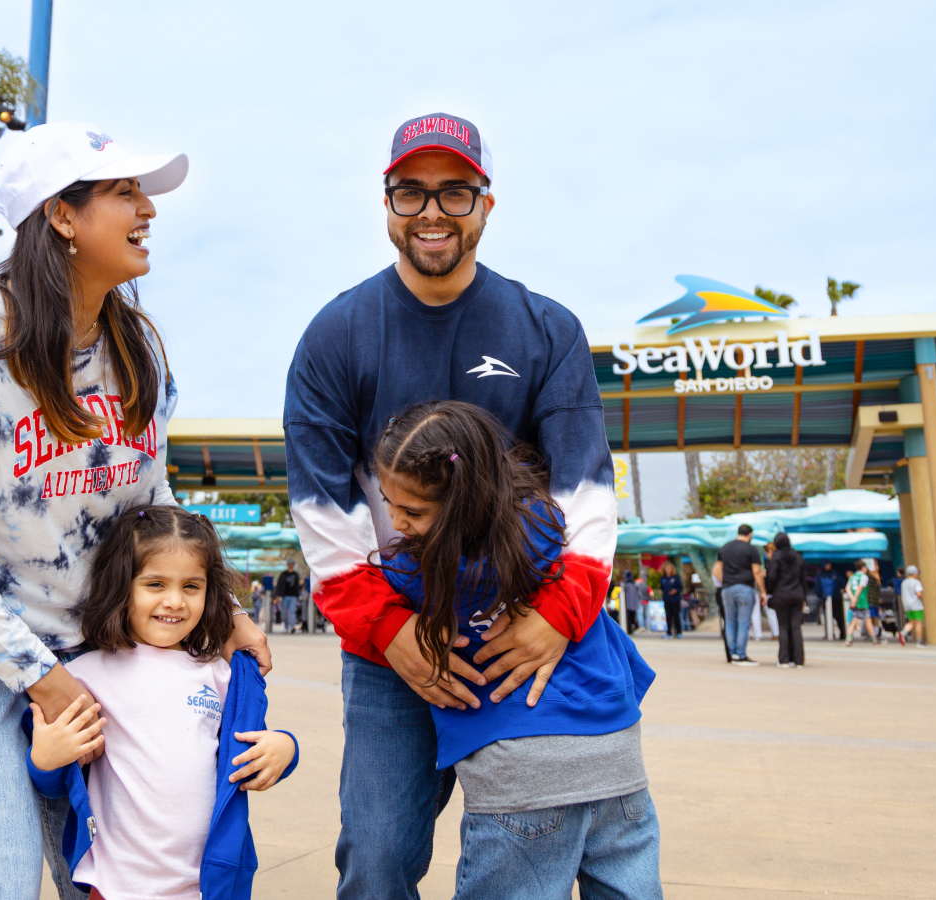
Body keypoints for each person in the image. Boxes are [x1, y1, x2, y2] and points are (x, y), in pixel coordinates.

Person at [0, 123, 270, 900]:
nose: (148, 211)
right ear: (61, 216)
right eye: (125, 192)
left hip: (88, 642)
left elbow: (150, 499)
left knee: (99, 873)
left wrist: (219, 606)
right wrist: (39, 679)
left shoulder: (138, 351)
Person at [283, 112, 618, 900]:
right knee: (376, 859)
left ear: (486, 205)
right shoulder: (336, 335)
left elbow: (586, 486)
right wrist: (386, 628)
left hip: (524, 631)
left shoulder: (547, 329)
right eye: (411, 192)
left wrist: (560, 614)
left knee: (524, 860)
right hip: (393, 639)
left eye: (454, 192)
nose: (431, 212)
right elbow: (321, 508)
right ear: (387, 202)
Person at [364, 401, 661, 900]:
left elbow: (358, 601)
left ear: (460, 503)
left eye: (411, 511)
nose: (395, 522)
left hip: (517, 781)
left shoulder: (417, 574)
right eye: (388, 503)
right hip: (620, 768)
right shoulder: (552, 530)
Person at [27, 506, 299, 900]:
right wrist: (45, 760)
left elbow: (255, 742)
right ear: (123, 586)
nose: (175, 601)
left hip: (204, 885)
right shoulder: (85, 677)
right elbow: (53, 785)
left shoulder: (218, 674)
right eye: (155, 584)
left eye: (191, 587)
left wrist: (285, 748)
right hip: (116, 885)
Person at [713, 524, 766, 666]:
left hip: (727, 589)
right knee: (743, 622)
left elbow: (717, 569)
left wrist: (725, 581)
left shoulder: (725, 548)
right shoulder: (751, 549)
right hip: (745, 587)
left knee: (729, 621)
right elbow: (756, 571)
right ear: (750, 535)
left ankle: (733, 654)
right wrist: (763, 591)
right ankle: (741, 655)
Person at [764, 533, 806, 667]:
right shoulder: (798, 557)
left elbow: (772, 577)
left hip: (781, 595)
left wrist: (769, 591)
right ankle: (798, 660)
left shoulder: (776, 557)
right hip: (797, 595)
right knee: (796, 627)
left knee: (783, 627)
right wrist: (803, 596)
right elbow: (803, 579)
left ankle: (784, 659)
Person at [843, 560, 877, 646]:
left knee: (853, 620)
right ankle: (875, 640)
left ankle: (849, 639)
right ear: (863, 567)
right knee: (868, 621)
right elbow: (860, 588)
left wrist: (852, 598)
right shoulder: (864, 577)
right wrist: (856, 598)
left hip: (854, 602)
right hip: (862, 601)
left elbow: (847, 588)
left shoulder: (853, 576)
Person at [275, 560, 304, 633]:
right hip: (285, 596)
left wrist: (298, 596)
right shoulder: (283, 574)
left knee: (292, 611)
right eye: (290, 564)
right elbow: (279, 585)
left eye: (292, 564)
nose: (291, 565)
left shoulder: (296, 575)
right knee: (284, 612)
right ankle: (286, 627)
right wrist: (277, 595)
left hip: (293, 596)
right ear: (288, 564)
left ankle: (292, 626)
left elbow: (297, 586)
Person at [900, 565, 926, 646]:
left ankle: (903, 632)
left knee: (912, 621)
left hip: (907, 605)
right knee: (919, 622)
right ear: (914, 573)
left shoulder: (904, 582)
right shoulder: (916, 582)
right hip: (916, 604)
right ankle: (919, 641)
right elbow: (919, 593)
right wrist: (922, 599)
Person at [659, 562, 685, 639]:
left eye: (669, 568)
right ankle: (669, 633)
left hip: (675, 600)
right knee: (668, 616)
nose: (668, 570)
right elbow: (662, 587)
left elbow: (681, 587)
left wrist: (675, 590)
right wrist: (660, 589)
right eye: (666, 569)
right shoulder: (663, 578)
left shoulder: (676, 577)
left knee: (676, 616)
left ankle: (679, 632)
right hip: (667, 600)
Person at [820, 563, 845, 640]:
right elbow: (818, 586)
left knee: (839, 617)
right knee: (827, 617)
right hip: (826, 600)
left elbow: (842, 583)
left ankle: (843, 632)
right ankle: (829, 633)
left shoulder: (835, 573)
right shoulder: (820, 574)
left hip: (836, 600)